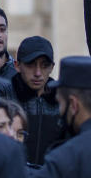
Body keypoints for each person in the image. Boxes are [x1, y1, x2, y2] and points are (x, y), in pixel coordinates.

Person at [7, 35, 61, 166]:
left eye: (44, 65)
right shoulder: (5, 98)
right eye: (31, 65)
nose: (38, 73)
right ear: (17, 66)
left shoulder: (63, 102)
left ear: (52, 67)